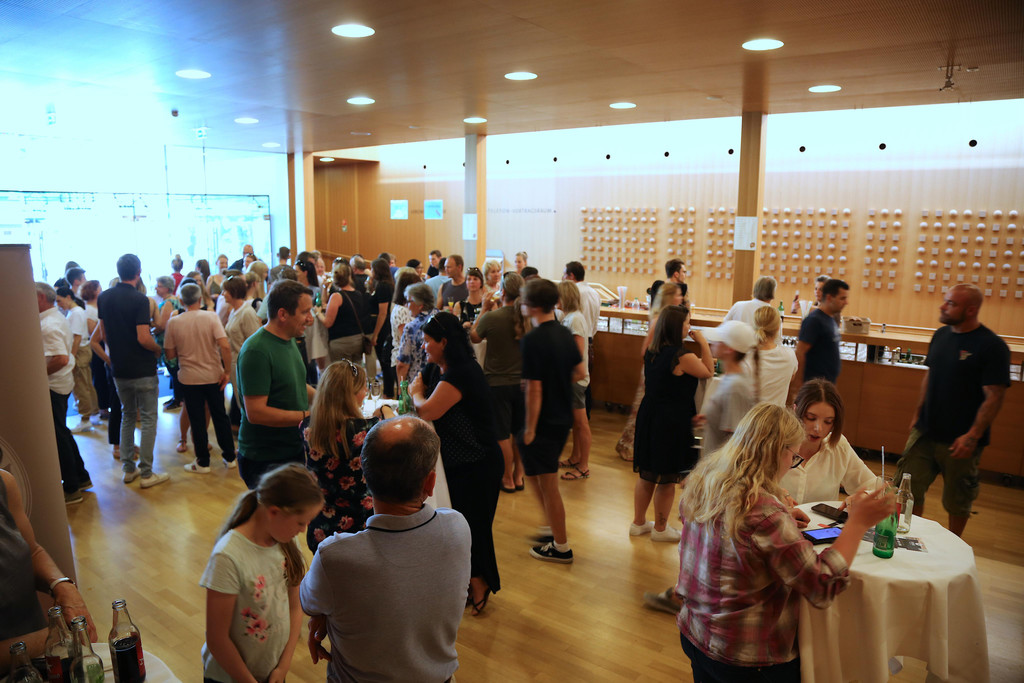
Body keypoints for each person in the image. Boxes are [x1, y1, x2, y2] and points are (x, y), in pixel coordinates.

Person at [676, 403, 895, 681]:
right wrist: (857, 524)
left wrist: (780, 516)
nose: (792, 463)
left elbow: (725, 539)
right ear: (776, 452)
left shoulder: (705, 480)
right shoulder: (765, 513)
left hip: (695, 632)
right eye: (793, 456)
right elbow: (821, 585)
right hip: (745, 656)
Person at [300, 417, 471, 682]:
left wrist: (324, 613)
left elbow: (309, 602)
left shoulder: (334, 557)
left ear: (365, 476)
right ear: (430, 483)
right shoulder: (457, 527)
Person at [895, 283, 1010, 537]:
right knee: (908, 488)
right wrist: (917, 413)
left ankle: (955, 544)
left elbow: (994, 396)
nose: (942, 306)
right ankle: (909, 537)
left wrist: (973, 435)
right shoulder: (941, 335)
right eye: (945, 301)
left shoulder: (991, 346)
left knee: (958, 499)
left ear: (971, 310)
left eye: (951, 303)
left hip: (961, 440)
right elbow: (930, 376)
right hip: (925, 432)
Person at [410, 312, 503, 615]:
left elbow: (427, 410)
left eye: (428, 341)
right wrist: (417, 390)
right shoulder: (437, 368)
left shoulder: (462, 373)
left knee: (474, 527)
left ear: (444, 342)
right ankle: (469, 580)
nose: (423, 346)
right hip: (458, 462)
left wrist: (416, 394)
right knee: (460, 526)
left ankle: (479, 582)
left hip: (478, 463)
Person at [202, 463, 323, 683]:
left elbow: (295, 607)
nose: (303, 529)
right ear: (274, 512)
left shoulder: (286, 540)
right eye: (300, 522)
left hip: (271, 672)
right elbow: (217, 639)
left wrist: (283, 667)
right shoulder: (227, 557)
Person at [0, 458, 97, 669]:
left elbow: (32, 551)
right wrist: (53, 637)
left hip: (42, 660)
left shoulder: (4, 483)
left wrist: (61, 585)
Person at [517, 279, 585, 563]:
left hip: (543, 421)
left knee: (548, 484)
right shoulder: (564, 332)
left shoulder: (533, 340)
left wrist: (530, 428)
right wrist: (557, 381)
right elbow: (580, 371)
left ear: (531, 306)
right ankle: (549, 527)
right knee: (537, 475)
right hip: (561, 417)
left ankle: (561, 546)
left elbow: (534, 389)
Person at [632, 305, 713, 541]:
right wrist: (703, 342)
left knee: (647, 473)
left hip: (650, 414)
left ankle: (638, 522)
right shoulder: (682, 356)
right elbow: (708, 371)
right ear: (678, 326)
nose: (690, 326)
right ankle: (660, 528)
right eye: (687, 322)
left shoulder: (652, 351)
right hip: (671, 419)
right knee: (667, 476)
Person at [91, 254, 170, 488]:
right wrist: (157, 349)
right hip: (142, 368)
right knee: (148, 419)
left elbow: (104, 334)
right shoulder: (140, 299)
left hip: (119, 368)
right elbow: (143, 337)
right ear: (139, 272)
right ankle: (146, 473)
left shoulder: (104, 297)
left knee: (127, 415)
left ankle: (128, 469)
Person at [302, 361, 393, 550]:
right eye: (363, 388)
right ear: (350, 394)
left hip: (322, 526)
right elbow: (397, 431)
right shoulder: (367, 429)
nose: (365, 392)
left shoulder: (307, 428)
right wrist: (385, 409)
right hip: (361, 524)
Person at [236, 280, 317, 489]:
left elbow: (295, 384)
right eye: (305, 312)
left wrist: (326, 399)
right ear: (283, 314)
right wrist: (309, 417)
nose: (310, 318)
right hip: (265, 458)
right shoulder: (256, 350)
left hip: (291, 448)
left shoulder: (289, 339)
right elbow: (256, 413)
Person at [163, 283, 237, 473]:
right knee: (220, 416)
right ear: (200, 299)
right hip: (213, 375)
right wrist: (227, 371)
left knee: (196, 419)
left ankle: (203, 462)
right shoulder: (210, 317)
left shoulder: (174, 322)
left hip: (189, 378)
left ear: (181, 300)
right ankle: (230, 457)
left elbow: (169, 354)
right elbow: (225, 346)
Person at [470, 272, 527, 492]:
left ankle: (507, 478)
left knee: (502, 434)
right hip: (525, 383)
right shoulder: (529, 317)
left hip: (498, 383)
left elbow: (474, 337)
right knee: (520, 432)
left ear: (502, 291)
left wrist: (484, 308)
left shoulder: (493, 317)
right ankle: (519, 476)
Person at [615, 282, 684, 461]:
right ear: (670, 297)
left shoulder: (665, 316)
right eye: (678, 294)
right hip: (652, 370)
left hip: (654, 369)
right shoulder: (660, 319)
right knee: (641, 408)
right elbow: (645, 350)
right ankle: (628, 446)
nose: (681, 298)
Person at [781, 379, 877, 504]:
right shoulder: (775, 441)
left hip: (820, 518)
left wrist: (863, 496)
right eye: (811, 418)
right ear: (795, 410)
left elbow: (874, 486)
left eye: (828, 422)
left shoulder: (838, 446)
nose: (818, 428)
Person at [37, 283, 91, 503]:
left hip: (53, 385)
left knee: (58, 436)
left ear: (40, 298)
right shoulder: (55, 318)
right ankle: (80, 477)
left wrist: (36, 377)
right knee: (62, 433)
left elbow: (60, 358)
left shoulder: (48, 324)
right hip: (60, 383)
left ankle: (71, 487)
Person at [696, 321, 757, 456]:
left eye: (718, 341)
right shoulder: (730, 379)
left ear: (729, 349)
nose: (713, 343)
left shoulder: (735, 386)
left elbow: (733, 438)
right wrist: (711, 417)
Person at [554, 281, 592, 481]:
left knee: (581, 422)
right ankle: (576, 457)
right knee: (577, 423)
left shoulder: (574, 319)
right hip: (572, 377)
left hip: (575, 379)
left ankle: (583, 466)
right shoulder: (570, 317)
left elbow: (576, 353)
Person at [790, 278, 848, 399]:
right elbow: (800, 353)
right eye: (842, 298)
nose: (846, 302)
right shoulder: (814, 320)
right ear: (829, 298)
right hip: (813, 386)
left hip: (826, 384)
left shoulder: (830, 319)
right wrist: (798, 387)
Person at [222, 275, 262, 431]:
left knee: (246, 404)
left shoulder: (246, 312)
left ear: (233, 292)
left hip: (244, 364)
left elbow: (254, 340)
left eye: (225, 291)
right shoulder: (234, 311)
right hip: (235, 364)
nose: (223, 294)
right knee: (240, 403)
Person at [56, 285, 98, 433]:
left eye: (60, 301)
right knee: (86, 384)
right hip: (80, 351)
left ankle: (85, 418)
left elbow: (77, 338)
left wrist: (71, 358)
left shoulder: (76, 313)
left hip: (79, 351)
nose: (59, 304)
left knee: (81, 386)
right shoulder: (75, 312)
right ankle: (92, 414)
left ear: (68, 297)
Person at [319, 262, 373, 368]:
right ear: (349, 276)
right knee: (356, 371)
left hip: (341, 341)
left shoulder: (336, 296)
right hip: (357, 339)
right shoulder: (358, 294)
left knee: (342, 373)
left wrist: (317, 313)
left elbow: (328, 322)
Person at [744, 305, 798, 407]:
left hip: (749, 416)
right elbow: (791, 378)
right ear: (778, 328)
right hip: (777, 415)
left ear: (753, 326)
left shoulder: (744, 357)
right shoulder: (790, 356)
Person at [395, 282, 435, 383]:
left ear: (420, 305)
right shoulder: (442, 317)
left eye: (409, 301)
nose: (407, 306)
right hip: (440, 380)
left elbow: (403, 363)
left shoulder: (412, 327)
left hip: (419, 381)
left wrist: (401, 388)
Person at [389, 269, 422, 392]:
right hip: (403, 361)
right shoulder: (401, 310)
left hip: (410, 360)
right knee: (405, 396)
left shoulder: (408, 308)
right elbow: (406, 340)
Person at [368, 258, 395, 396]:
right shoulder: (383, 284)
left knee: (385, 361)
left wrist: (375, 334)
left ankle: (388, 392)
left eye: (372, 269)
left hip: (383, 327)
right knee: (385, 361)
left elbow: (382, 312)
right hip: (383, 325)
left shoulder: (383, 286)